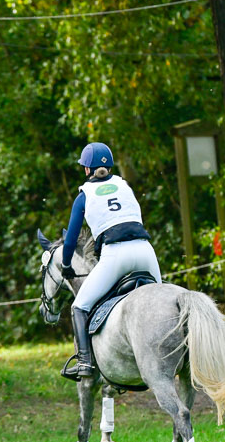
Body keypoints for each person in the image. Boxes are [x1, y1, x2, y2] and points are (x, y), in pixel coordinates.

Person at [61, 142, 162, 381]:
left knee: (79, 306)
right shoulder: (124, 185)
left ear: (87, 169)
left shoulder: (83, 195)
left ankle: (85, 362)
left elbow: (70, 241)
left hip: (115, 255)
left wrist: (66, 266)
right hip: (145, 252)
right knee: (164, 301)